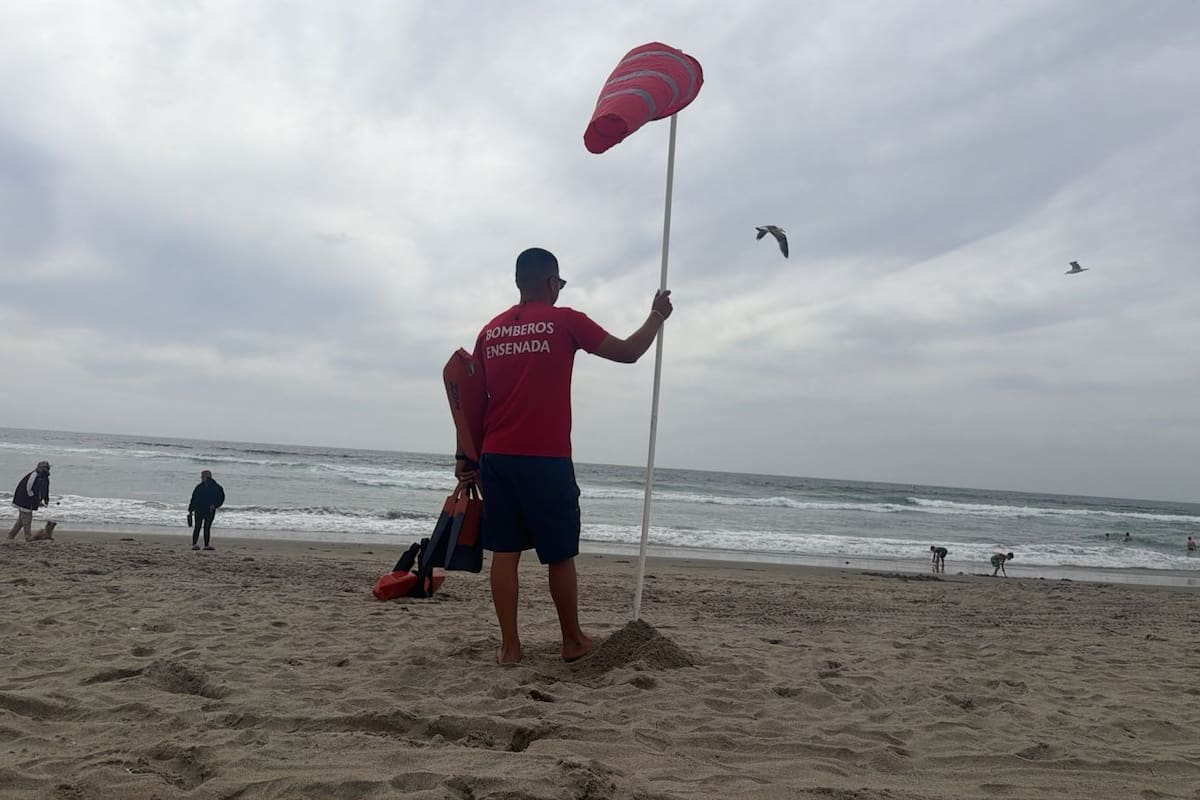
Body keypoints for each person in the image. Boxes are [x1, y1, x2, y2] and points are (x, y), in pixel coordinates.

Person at [462, 247, 673, 665]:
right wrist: (657, 316)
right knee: (559, 554)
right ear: (550, 282)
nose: (559, 289)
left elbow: (473, 402)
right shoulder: (565, 321)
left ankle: (510, 647)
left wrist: (466, 458)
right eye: (559, 283)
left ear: (520, 282)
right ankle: (572, 640)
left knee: (505, 552)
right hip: (545, 457)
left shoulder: (490, 331)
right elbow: (629, 352)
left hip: (496, 457)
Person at [7, 461, 51, 542]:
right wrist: (35, 500)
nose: (45, 470)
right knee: (27, 519)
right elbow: (28, 489)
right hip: (24, 500)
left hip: (29, 500)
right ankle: (28, 537)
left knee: (21, 520)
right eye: (43, 468)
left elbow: (45, 489)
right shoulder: (33, 476)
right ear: (39, 468)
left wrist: (46, 499)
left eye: (46, 468)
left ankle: (10, 536)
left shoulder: (44, 477)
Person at [187, 470, 225, 551]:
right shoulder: (199, 487)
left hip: (209, 510)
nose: (201, 478)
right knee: (198, 527)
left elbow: (221, 498)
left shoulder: (216, 487)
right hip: (199, 509)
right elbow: (193, 498)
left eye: (202, 476)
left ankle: (206, 545)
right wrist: (190, 509)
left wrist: (214, 505)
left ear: (207, 477)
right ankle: (195, 544)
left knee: (206, 527)